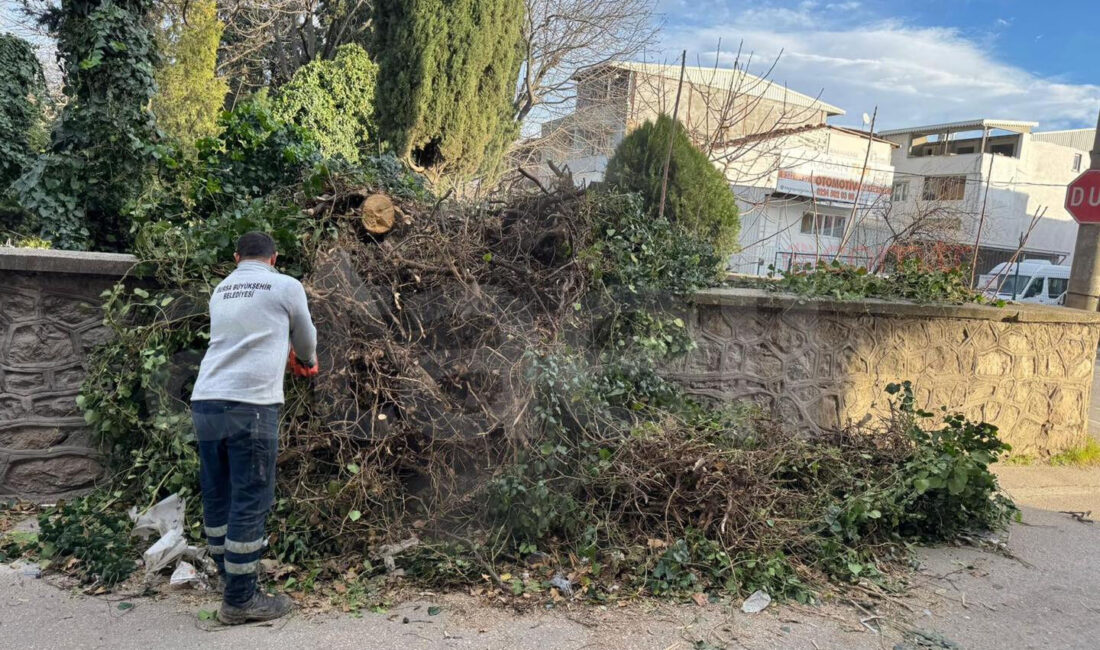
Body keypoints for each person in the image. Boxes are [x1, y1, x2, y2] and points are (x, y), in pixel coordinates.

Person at [190, 231, 318, 624]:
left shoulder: (221, 289)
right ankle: (241, 601)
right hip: (252, 404)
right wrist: (306, 360)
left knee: (219, 492)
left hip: (206, 399)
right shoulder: (285, 285)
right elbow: (305, 336)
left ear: (236, 257)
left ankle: (230, 582)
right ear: (274, 258)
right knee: (251, 496)